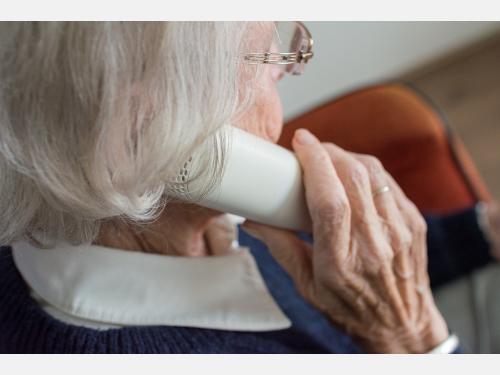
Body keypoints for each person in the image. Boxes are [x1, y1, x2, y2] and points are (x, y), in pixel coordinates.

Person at [0, 21, 499, 353]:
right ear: (144, 136)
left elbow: (344, 259)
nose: (288, 71)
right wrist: (411, 337)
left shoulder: (197, 212)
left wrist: (478, 231)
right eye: (269, 58)